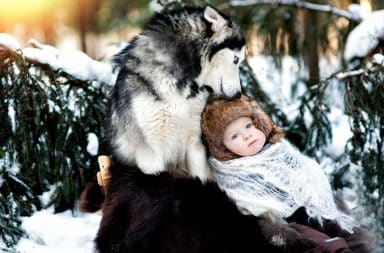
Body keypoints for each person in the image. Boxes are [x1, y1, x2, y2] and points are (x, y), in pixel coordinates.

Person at [201, 95, 377, 253]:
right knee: (307, 239)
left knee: (343, 224)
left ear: (259, 122)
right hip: (282, 222)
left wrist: (311, 195)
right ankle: (335, 249)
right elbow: (246, 207)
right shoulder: (232, 172)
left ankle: (358, 243)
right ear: (223, 148)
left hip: (308, 206)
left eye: (248, 125)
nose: (247, 135)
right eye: (235, 136)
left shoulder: (279, 150)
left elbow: (307, 175)